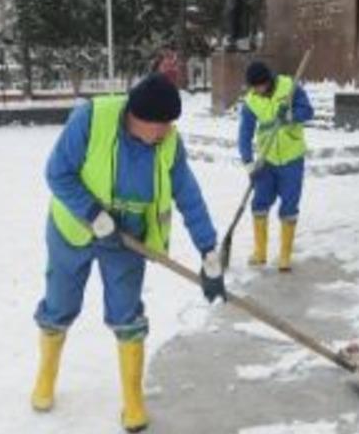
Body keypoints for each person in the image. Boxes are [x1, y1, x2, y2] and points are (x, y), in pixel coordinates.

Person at [31, 73, 224, 433]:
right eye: (162, 124)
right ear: (139, 118)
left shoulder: (168, 143)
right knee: (60, 303)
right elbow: (57, 173)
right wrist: (91, 213)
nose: (167, 131)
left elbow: (189, 196)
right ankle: (46, 375)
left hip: (127, 240)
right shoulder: (90, 119)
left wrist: (208, 250)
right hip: (73, 228)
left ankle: (133, 399)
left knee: (127, 313)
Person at [238, 61, 314, 272]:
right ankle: (260, 252)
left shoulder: (289, 86)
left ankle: (285, 256)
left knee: (289, 206)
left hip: (292, 158)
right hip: (267, 160)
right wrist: (248, 161)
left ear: (268, 81)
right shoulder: (251, 101)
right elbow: (244, 133)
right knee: (259, 204)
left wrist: (291, 116)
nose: (256, 91)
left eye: (259, 86)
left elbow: (308, 111)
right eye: (253, 87)